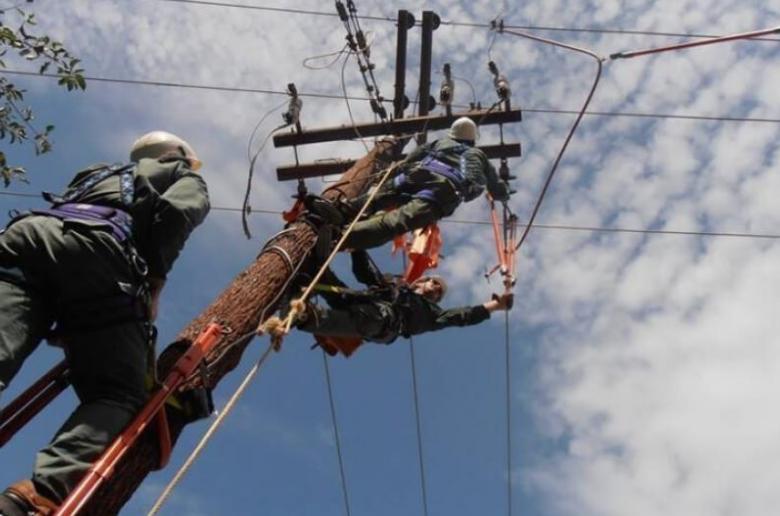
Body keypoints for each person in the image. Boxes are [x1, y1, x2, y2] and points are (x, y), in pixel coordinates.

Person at [0, 131, 210, 515]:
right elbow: (179, 213)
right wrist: (155, 286)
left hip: (27, 236)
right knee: (118, 393)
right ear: (178, 153)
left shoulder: (96, 172)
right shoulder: (181, 172)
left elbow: (62, 245)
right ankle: (36, 496)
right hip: (97, 251)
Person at [338, 117, 511, 250]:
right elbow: (496, 188)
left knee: (375, 198)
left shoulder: (438, 143)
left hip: (415, 175)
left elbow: (409, 160)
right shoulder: (478, 154)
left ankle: (341, 210)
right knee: (397, 221)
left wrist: (393, 173)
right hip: (444, 189)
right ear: (473, 140)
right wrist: (505, 193)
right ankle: (342, 236)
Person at [293, 251, 513, 355]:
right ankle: (310, 267)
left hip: (383, 323)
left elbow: (462, 316)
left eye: (438, 292)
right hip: (362, 303)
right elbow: (365, 273)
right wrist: (356, 247)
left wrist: (496, 305)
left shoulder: (432, 314)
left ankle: (304, 316)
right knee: (340, 292)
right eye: (434, 283)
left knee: (373, 315)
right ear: (423, 281)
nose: (435, 289)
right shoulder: (394, 286)